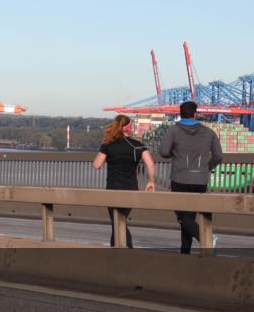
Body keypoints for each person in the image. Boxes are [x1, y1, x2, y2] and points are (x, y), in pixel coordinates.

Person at [159, 101, 223, 254]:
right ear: (195, 113)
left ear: (180, 113)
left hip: (180, 178)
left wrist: (175, 153)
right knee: (189, 218)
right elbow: (218, 156)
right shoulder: (209, 132)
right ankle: (185, 252)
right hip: (200, 180)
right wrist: (206, 168)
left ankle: (206, 238)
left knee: (183, 217)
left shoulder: (173, 131)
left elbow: (164, 152)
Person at [92, 115, 155, 248]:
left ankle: (123, 252)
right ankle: (121, 252)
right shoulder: (138, 146)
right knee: (120, 221)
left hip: (112, 188)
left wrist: (105, 148)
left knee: (116, 222)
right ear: (127, 127)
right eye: (131, 124)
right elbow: (150, 164)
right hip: (131, 188)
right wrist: (151, 181)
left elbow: (97, 165)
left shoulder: (108, 145)